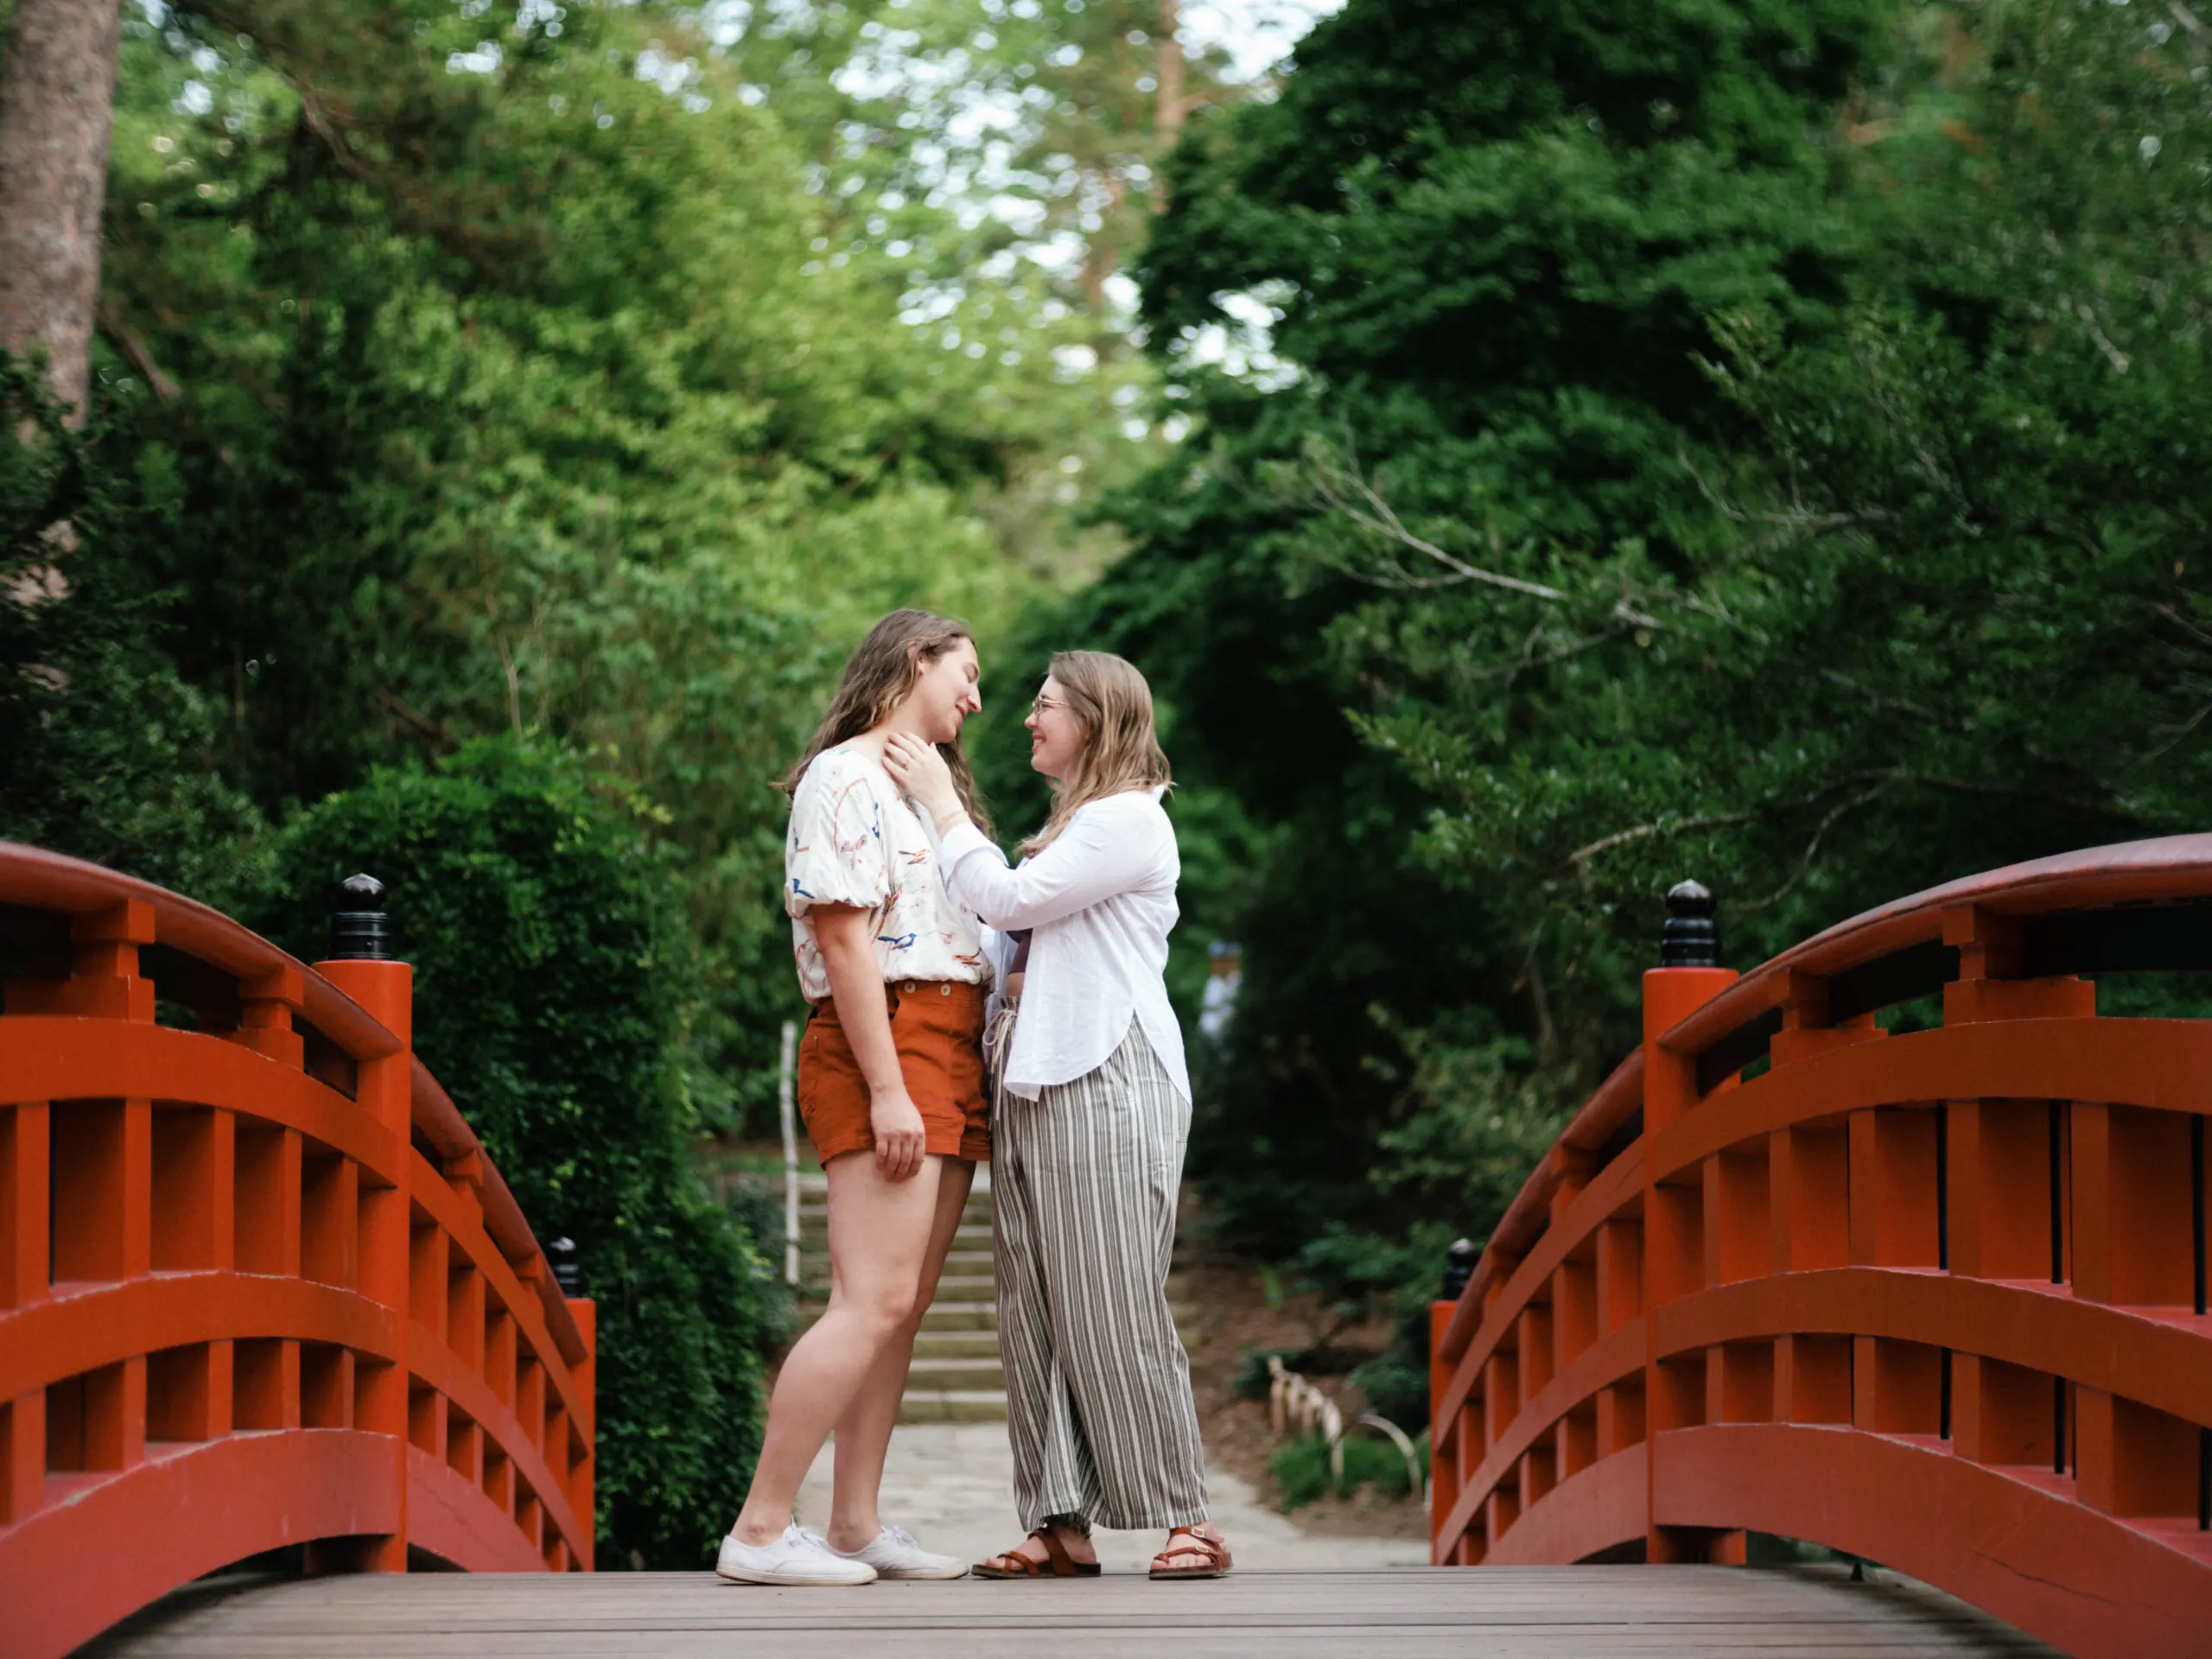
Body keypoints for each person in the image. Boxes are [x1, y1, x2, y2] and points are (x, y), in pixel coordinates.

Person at [884, 649, 1231, 1581]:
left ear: (1094, 719)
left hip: (1109, 1076)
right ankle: (1057, 1521)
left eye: (1043, 706)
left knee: (1113, 1298)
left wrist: (940, 802)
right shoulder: (1071, 826)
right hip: (1034, 1079)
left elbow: (1005, 897)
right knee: (1029, 1306)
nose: (1025, 719)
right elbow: (997, 940)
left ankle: (1184, 1516)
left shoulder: (1127, 821)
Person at [716, 609, 994, 1586]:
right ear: (913, 662)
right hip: (888, 1036)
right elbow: (842, 941)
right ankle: (757, 1530)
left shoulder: (930, 787)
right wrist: (887, 1088)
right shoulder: (845, 775)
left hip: (951, 1041)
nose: (973, 696)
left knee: (902, 1307)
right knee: (868, 1298)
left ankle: (854, 1525)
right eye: (963, 673)